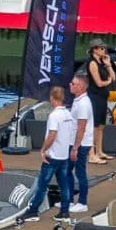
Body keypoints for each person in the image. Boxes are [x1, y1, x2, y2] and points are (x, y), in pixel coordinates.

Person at [24, 84, 77, 220]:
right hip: (63, 156)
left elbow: (52, 135)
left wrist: (43, 150)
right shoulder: (68, 114)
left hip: (52, 156)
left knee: (42, 184)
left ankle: (33, 210)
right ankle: (65, 211)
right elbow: (71, 134)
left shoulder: (54, 116)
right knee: (64, 184)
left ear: (53, 98)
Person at [83, 43, 116, 165]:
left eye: (104, 48)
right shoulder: (92, 63)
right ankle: (91, 154)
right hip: (94, 96)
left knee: (101, 126)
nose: (104, 50)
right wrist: (108, 81)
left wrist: (108, 65)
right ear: (94, 50)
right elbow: (99, 83)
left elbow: (114, 77)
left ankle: (100, 151)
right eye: (102, 48)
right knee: (93, 126)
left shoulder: (103, 62)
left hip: (103, 97)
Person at [67, 71, 95, 212]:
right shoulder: (77, 100)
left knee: (80, 172)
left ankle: (82, 202)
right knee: (66, 170)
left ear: (81, 87)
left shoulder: (83, 104)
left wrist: (75, 148)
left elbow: (81, 127)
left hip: (81, 144)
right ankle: (69, 199)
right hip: (74, 141)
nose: (70, 85)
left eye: (73, 84)